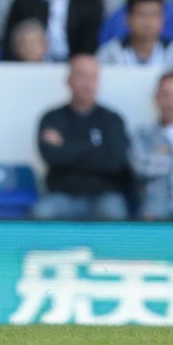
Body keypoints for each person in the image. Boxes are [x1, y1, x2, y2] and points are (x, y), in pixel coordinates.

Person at [32, 54, 131, 221]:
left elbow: (116, 161)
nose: (87, 83)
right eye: (81, 76)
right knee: (43, 213)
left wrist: (66, 147)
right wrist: (97, 150)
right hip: (62, 196)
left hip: (104, 196)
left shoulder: (112, 119)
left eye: (92, 77)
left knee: (115, 214)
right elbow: (51, 157)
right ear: (69, 80)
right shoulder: (52, 118)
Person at [130, 70, 173, 221]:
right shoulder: (142, 134)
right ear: (157, 98)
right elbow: (140, 166)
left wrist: (166, 153)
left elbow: (153, 163)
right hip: (156, 208)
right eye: (166, 95)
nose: (172, 102)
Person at [96, 0, 173, 67]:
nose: (147, 21)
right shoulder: (111, 52)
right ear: (127, 19)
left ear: (163, 20)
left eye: (154, 15)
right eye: (141, 14)